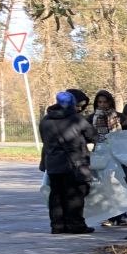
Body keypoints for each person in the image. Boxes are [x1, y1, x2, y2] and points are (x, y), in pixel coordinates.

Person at [38, 90, 96, 234]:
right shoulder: (77, 119)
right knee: (75, 194)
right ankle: (76, 225)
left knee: (56, 195)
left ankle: (57, 226)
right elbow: (93, 136)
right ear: (72, 104)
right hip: (74, 164)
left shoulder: (45, 120)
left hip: (53, 164)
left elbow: (45, 141)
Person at [89, 89, 127, 227]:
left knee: (120, 184)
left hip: (117, 154)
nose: (102, 104)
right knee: (105, 185)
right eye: (99, 102)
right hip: (100, 154)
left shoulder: (119, 117)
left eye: (104, 102)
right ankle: (110, 216)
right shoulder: (91, 118)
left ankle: (122, 215)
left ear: (110, 102)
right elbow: (85, 135)